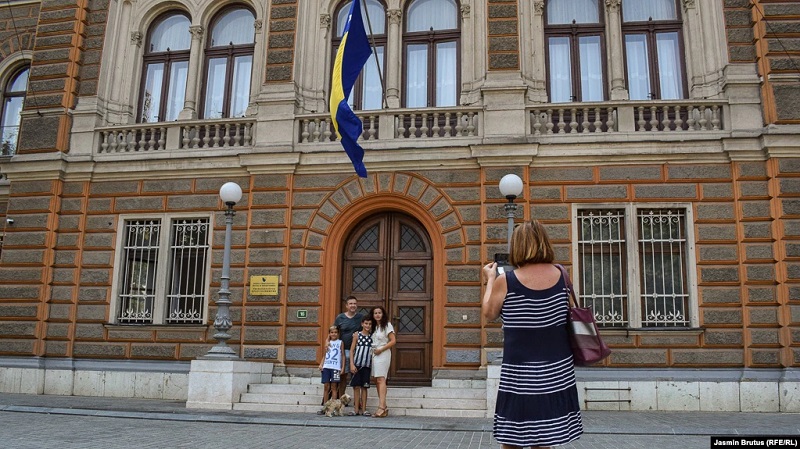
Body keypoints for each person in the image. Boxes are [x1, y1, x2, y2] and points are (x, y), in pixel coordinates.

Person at [482, 220, 583, 448]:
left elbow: (488, 313)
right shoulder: (562, 275)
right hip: (557, 369)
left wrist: (489, 280)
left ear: (517, 246)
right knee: (545, 438)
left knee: (512, 439)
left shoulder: (506, 281)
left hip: (520, 372)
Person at [333, 295, 364, 400]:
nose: (353, 305)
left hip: (357, 351)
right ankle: (341, 398)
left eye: (355, 303)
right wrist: (328, 342)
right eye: (351, 303)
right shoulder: (340, 317)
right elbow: (334, 332)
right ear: (346, 305)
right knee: (343, 376)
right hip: (344, 350)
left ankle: (357, 401)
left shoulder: (361, 317)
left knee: (357, 376)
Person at [369, 305, 395, 418]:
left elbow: (393, 341)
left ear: (383, 314)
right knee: (376, 380)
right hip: (374, 354)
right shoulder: (373, 326)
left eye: (379, 312)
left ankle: (381, 407)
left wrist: (381, 349)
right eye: (375, 313)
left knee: (381, 378)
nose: (377, 315)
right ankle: (384, 406)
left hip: (383, 353)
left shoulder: (387, 325)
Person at [347, 316, 373, 416]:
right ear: (362, 324)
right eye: (366, 323)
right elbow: (352, 350)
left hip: (366, 365)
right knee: (356, 387)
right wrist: (352, 364)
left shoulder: (372, 336)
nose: (368, 326)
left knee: (365, 387)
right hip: (357, 365)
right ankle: (356, 409)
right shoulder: (357, 335)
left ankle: (364, 409)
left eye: (370, 324)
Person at [316, 325, 344, 415]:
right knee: (326, 387)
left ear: (338, 333)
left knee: (334, 387)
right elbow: (325, 355)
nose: (334, 334)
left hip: (335, 367)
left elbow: (342, 355)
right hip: (327, 366)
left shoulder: (340, 342)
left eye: (335, 332)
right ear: (329, 334)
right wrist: (321, 364)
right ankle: (325, 407)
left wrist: (342, 367)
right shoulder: (327, 343)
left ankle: (333, 407)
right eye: (332, 332)